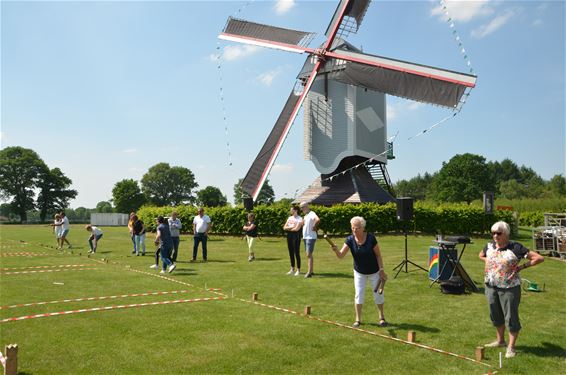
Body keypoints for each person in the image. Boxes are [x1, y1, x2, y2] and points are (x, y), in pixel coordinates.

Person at [479, 221, 544, 358]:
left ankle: (511, 347)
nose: (495, 236)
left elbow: (539, 258)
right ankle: (500, 341)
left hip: (509, 288)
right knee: (495, 314)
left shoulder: (515, 247)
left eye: (499, 233)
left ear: (506, 234)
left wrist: (521, 267)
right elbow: (481, 255)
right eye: (493, 233)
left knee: (511, 317)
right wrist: (487, 261)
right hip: (491, 286)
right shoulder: (490, 246)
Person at [331, 216, 388, 328]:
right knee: (359, 295)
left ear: (362, 228)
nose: (354, 230)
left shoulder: (371, 238)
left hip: (374, 272)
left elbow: (378, 255)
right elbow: (341, 256)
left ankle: (381, 318)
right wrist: (336, 250)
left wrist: (381, 270)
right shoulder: (349, 240)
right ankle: (358, 319)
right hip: (359, 272)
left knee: (378, 295)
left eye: (356, 228)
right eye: (352, 228)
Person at [300, 202, 319, 278]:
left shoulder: (312, 213)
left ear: (306, 207)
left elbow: (317, 220)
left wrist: (314, 226)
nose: (301, 209)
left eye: (302, 207)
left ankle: (309, 273)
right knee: (309, 254)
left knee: (309, 254)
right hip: (306, 237)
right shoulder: (306, 216)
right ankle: (311, 271)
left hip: (310, 237)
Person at [283, 206, 302, 275]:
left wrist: (290, 228)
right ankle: (292, 269)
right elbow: (284, 227)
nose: (290, 211)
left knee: (296, 253)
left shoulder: (300, 219)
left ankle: (298, 270)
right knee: (290, 252)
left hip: (296, 236)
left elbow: (297, 229)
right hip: (289, 236)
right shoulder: (289, 218)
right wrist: (292, 226)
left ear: (296, 210)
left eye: (291, 210)